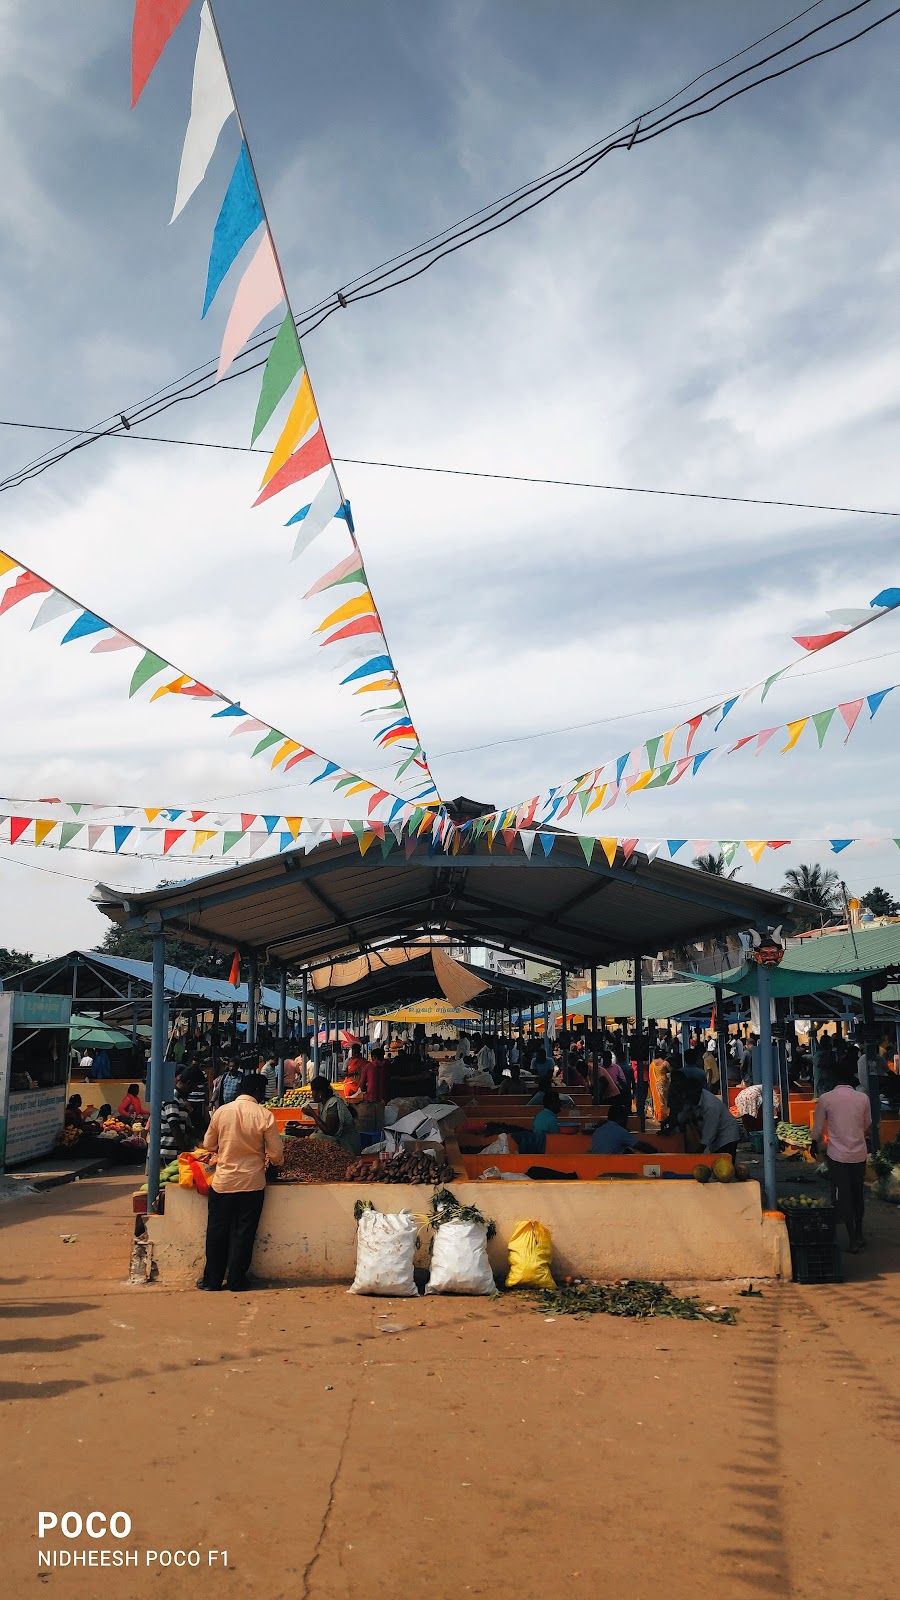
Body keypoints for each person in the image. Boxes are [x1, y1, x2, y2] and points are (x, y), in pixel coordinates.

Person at [198, 1073, 283, 1292]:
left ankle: (212, 1280)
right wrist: (272, 1161)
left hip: (224, 1182)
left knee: (217, 1231)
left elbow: (208, 1144)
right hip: (252, 1183)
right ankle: (236, 1280)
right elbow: (276, 1154)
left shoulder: (221, 1112)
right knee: (243, 1232)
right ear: (256, 1092)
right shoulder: (264, 1115)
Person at [811, 1061, 872, 1252]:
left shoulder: (827, 1099)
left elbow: (818, 1128)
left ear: (834, 1079)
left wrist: (816, 1143)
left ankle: (852, 1237)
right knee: (857, 1195)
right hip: (859, 1154)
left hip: (838, 1156)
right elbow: (867, 1123)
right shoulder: (863, 1098)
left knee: (842, 1195)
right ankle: (859, 1233)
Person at [682, 1080, 743, 1166]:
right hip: (715, 1137)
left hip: (727, 1136)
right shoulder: (692, 1098)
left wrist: (696, 1155)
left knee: (725, 1167)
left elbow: (709, 1133)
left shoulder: (710, 1106)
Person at [305, 1075, 361, 1155]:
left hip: (347, 1145)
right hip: (339, 1141)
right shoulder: (322, 1104)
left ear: (320, 1093)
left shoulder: (333, 1103)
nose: (312, 1094)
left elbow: (330, 1131)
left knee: (314, 1138)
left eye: (313, 1091)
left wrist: (313, 1114)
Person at [591, 1103, 659, 1155]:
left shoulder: (599, 1130)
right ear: (622, 1118)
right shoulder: (619, 1131)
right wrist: (657, 1153)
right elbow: (641, 1146)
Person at [159, 1077, 194, 1167]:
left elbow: (181, 1124)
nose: (192, 1091)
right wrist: (185, 1151)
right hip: (169, 1152)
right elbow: (174, 1125)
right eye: (193, 1086)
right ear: (188, 1083)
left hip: (175, 1151)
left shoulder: (180, 1098)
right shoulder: (172, 1098)